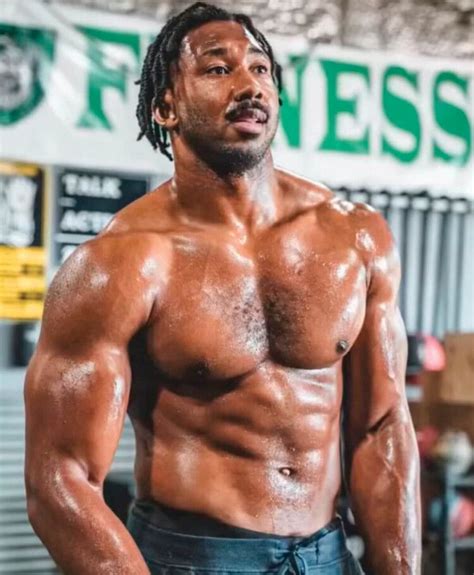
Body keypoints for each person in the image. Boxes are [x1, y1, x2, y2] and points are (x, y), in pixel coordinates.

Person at [24, 3, 421, 574]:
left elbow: (382, 426)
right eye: (217, 69)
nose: (249, 85)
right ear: (166, 107)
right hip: (193, 557)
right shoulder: (119, 264)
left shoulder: (355, 237)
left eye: (260, 69)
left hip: (328, 555)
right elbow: (59, 480)